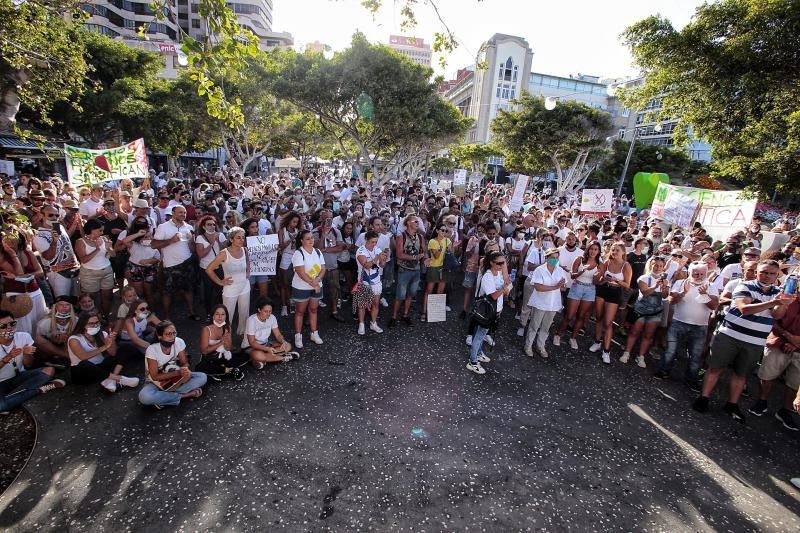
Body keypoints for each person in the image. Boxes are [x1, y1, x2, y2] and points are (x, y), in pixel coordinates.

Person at [694, 260, 791, 422]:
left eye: (772, 273)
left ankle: (732, 404)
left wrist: (780, 303)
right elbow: (745, 309)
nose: (767, 276)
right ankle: (704, 397)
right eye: (764, 272)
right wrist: (773, 303)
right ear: (757, 272)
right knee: (715, 368)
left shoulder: (778, 292)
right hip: (730, 335)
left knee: (741, 374)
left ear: (777, 275)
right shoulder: (745, 286)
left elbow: (777, 315)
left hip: (755, 341)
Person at [748, 297, 800, 431]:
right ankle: (762, 401)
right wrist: (788, 336)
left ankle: (785, 411)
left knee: (795, 383)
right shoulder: (786, 297)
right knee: (767, 375)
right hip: (778, 342)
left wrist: (796, 342)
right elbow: (772, 319)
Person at [0, 310, 65, 413]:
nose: (9, 328)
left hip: (20, 376)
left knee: (49, 370)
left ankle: (14, 397)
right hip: (1, 382)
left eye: (12, 324)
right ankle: (39, 389)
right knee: (1, 406)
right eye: (3, 326)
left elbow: (28, 364)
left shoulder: (23, 336)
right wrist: (8, 357)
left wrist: (26, 354)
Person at [138, 321, 207, 409]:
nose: (172, 337)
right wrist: (178, 373)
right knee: (144, 397)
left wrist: (185, 370)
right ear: (160, 336)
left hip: (175, 380)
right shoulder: (152, 350)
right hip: (154, 383)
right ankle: (186, 395)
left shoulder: (179, 342)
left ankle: (163, 398)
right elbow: (155, 377)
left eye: (174, 333)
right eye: (168, 334)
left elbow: (184, 363)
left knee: (202, 377)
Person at [68, 312, 139, 392]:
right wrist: (105, 347)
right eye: (91, 323)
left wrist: (111, 342)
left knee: (126, 347)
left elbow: (113, 353)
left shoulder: (102, 334)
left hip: (100, 367)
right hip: (82, 372)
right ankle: (119, 379)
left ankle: (111, 379)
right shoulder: (74, 339)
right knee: (83, 364)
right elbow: (83, 356)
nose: (95, 325)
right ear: (83, 325)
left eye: (96, 322)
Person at [151, 205, 200, 321]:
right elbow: (153, 245)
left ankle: (191, 311)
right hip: (170, 265)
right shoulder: (163, 227)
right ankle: (167, 316)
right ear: (172, 213)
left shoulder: (188, 227)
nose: (183, 215)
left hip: (187, 264)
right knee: (167, 292)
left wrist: (192, 242)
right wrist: (170, 241)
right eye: (180, 212)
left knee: (188, 289)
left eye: (184, 213)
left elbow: (192, 249)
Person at [620, 256, 670, 368]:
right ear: (651, 265)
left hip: (655, 312)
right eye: (656, 265)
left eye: (661, 266)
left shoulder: (666, 281)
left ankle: (641, 356)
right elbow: (645, 292)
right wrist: (655, 286)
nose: (658, 268)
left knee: (648, 335)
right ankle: (627, 352)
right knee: (634, 332)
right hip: (640, 311)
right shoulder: (644, 278)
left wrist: (665, 287)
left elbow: (665, 296)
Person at [467, 251, 510, 375]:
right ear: (491, 262)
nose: (502, 265)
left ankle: (479, 354)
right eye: (499, 263)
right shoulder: (488, 276)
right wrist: (504, 288)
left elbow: (504, 286)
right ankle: (473, 362)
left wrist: (505, 288)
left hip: (494, 310)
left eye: (503, 263)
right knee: (479, 336)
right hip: (486, 311)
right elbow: (493, 296)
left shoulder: (499, 272)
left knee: (479, 334)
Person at [590, 243, 632, 364]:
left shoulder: (626, 265)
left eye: (617, 250)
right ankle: (597, 342)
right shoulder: (607, 262)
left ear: (623, 252)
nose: (614, 252)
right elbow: (599, 278)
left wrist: (616, 280)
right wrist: (602, 278)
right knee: (598, 317)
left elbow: (627, 285)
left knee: (608, 323)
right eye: (613, 250)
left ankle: (606, 350)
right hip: (603, 289)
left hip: (615, 292)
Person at [554, 240, 601, 350]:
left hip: (590, 289)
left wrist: (598, 277)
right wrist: (582, 271)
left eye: (596, 249)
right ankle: (558, 334)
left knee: (581, 316)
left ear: (599, 251)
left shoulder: (600, 264)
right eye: (591, 249)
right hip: (577, 286)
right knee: (569, 315)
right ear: (587, 249)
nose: (593, 251)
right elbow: (572, 276)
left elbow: (596, 282)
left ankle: (573, 338)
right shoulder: (579, 259)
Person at [524, 248, 569, 358]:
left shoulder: (559, 271)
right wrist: (555, 286)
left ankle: (540, 346)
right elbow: (538, 287)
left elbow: (563, 288)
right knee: (534, 325)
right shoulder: (539, 270)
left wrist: (560, 286)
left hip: (553, 303)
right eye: (552, 257)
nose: (554, 260)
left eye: (556, 258)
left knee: (546, 327)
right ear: (546, 258)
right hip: (540, 302)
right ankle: (528, 346)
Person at [204, 227, 250, 336]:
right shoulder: (224, 253)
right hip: (230, 289)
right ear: (231, 239)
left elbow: (247, 261)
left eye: (243, 238)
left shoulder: (245, 250)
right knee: (228, 316)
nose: (241, 240)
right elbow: (209, 269)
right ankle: (225, 340)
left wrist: (248, 272)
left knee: (244, 314)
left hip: (245, 286)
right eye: (238, 238)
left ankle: (244, 337)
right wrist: (220, 282)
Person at [115, 216, 160, 309]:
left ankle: (151, 312)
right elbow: (125, 241)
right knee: (139, 293)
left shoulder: (153, 244)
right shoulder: (133, 244)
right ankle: (141, 312)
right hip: (135, 268)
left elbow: (158, 258)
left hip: (149, 269)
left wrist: (149, 260)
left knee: (149, 293)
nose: (145, 236)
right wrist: (138, 234)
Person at [389, 215, 426, 327]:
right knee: (400, 295)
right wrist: (415, 257)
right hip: (404, 270)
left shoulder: (420, 237)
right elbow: (399, 254)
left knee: (411, 294)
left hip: (416, 270)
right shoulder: (401, 236)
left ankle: (405, 315)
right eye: (415, 221)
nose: (418, 223)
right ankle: (394, 317)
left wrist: (426, 259)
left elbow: (424, 251)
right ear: (408, 223)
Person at [242, 298, 299, 368]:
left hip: (266, 344)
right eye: (266, 311)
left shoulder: (272, 317)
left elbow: (278, 335)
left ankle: (262, 359)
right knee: (258, 355)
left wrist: (283, 341)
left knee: (288, 346)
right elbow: (252, 342)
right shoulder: (251, 320)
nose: (268, 314)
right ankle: (284, 357)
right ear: (259, 310)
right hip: (250, 347)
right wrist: (266, 349)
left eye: (270, 311)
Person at [291, 229, 325, 348]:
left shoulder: (318, 251)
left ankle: (314, 333)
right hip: (301, 287)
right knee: (300, 311)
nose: (311, 240)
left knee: (314, 310)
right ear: (301, 241)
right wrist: (314, 284)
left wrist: (318, 280)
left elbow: (323, 268)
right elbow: (301, 273)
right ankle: (298, 335)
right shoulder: (298, 254)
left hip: (316, 285)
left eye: (312, 238)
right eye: (308, 238)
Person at [196, 305, 247, 381]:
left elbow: (228, 348)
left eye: (223, 314)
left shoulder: (227, 327)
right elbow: (204, 351)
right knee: (199, 367)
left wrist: (227, 338)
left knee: (244, 355)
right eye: (217, 314)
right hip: (210, 358)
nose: (220, 317)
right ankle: (229, 370)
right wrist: (220, 343)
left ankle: (221, 371)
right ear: (213, 316)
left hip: (223, 355)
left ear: (226, 316)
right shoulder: (206, 330)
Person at [355, 230, 388, 335]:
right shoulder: (361, 251)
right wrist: (378, 257)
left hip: (376, 281)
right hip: (364, 281)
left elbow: (382, 266)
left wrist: (384, 259)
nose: (374, 244)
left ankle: (373, 323)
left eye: (375, 242)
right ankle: (361, 324)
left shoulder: (377, 249)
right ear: (366, 240)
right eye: (372, 242)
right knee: (362, 305)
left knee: (375, 303)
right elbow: (366, 265)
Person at [313, 211, 345, 322]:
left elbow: (340, 247)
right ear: (321, 219)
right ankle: (313, 314)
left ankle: (334, 311)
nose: (329, 221)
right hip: (318, 269)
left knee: (334, 290)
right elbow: (317, 247)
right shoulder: (315, 231)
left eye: (330, 218)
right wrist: (323, 234)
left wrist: (326, 250)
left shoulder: (336, 232)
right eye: (326, 219)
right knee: (315, 291)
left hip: (332, 267)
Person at [195, 215, 226, 320]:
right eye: (209, 224)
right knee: (208, 291)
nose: (212, 226)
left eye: (213, 224)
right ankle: (209, 313)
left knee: (220, 291)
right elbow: (201, 254)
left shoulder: (220, 235)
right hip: (206, 269)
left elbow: (225, 250)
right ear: (203, 226)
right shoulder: (200, 237)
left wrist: (218, 241)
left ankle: (221, 313)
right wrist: (212, 243)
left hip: (220, 267)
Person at [34, 296, 76, 367]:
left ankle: (60, 359)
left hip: (68, 347)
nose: (64, 307)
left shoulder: (76, 321)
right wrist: (53, 339)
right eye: (61, 305)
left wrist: (68, 337)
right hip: (50, 350)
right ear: (55, 307)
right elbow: (37, 343)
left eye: (67, 305)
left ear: (71, 307)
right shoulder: (44, 323)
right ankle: (66, 357)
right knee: (38, 339)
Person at [421, 224, 452, 321]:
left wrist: (452, 248)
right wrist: (442, 246)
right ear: (437, 231)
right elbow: (437, 255)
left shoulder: (448, 240)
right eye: (442, 230)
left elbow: (451, 253)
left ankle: (435, 313)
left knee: (440, 291)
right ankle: (424, 312)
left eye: (446, 231)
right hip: (434, 267)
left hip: (444, 267)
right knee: (429, 291)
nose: (444, 233)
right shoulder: (432, 241)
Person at [277, 211, 301, 316]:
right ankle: (284, 306)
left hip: (296, 256)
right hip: (286, 256)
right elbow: (280, 246)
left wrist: (297, 242)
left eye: (297, 222)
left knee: (295, 282)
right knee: (284, 283)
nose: (295, 224)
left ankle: (292, 302)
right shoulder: (282, 231)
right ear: (288, 221)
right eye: (293, 221)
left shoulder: (297, 231)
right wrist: (290, 240)